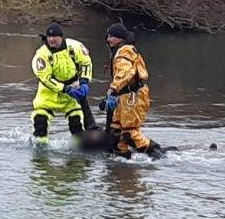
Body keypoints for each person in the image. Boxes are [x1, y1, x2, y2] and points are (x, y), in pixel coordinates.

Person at [103, 23, 164, 159]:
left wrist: (112, 91)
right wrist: (109, 97)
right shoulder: (121, 50)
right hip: (124, 97)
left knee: (129, 133)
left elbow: (125, 73)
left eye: (112, 36)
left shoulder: (124, 51)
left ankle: (156, 154)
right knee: (115, 132)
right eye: (108, 36)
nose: (108, 39)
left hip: (132, 97)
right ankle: (123, 166)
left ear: (119, 38)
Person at [30, 22, 94, 144]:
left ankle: (79, 151)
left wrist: (84, 81)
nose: (51, 40)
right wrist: (64, 89)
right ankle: (40, 152)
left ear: (61, 37)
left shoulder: (74, 47)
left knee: (77, 123)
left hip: (72, 90)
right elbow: (45, 78)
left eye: (54, 37)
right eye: (49, 37)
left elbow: (86, 62)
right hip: (48, 94)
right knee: (40, 123)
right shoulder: (42, 55)